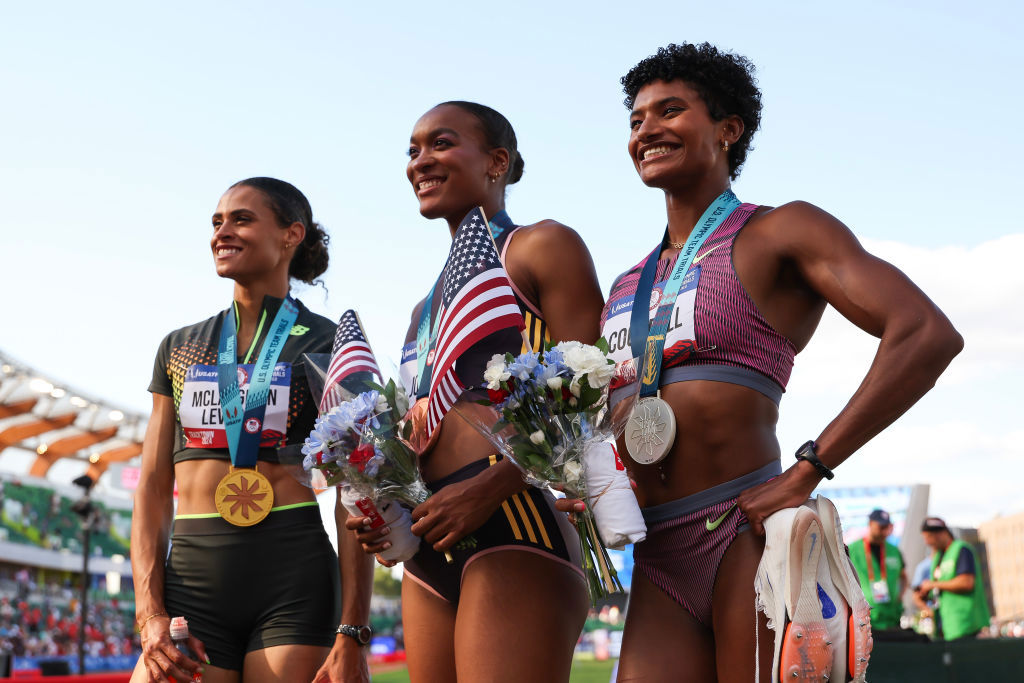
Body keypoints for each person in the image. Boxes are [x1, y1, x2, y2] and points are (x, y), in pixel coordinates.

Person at [563, 43, 962, 682]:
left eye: (671, 111)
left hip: (743, 532)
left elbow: (925, 333)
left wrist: (810, 467)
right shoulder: (626, 284)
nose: (647, 130)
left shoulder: (781, 231)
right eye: (636, 120)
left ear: (728, 129)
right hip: (658, 554)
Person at [345, 101, 603, 681]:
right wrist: (383, 499)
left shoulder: (542, 247)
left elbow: (594, 395)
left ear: (497, 162)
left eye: (440, 143)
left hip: (515, 518)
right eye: (412, 150)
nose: (420, 161)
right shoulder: (422, 311)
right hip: (428, 542)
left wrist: (494, 484)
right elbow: (421, 426)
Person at [130, 177, 373, 683]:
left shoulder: (332, 342)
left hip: (294, 579)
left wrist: (352, 631)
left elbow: (355, 490)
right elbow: (153, 489)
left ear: (291, 235)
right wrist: (149, 612)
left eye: (241, 219)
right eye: (217, 222)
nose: (222, 232)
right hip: (192, 584)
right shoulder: (179, 345)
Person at [917, 516, 991, 640]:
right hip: (946, 626)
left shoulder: (961, 549)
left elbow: (967, 582)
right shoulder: (938, 557)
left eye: (928, 537)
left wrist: (933, 585)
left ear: (940, 534)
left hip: (966, 625)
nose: (927, 543)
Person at [849, 509, 908, 631]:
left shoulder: (894, 550)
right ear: (870, 524)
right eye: (880, 527)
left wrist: (900, 597)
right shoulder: (853, 549)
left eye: (886, 527)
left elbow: (904, 576)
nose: (884, 531)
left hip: (892, 617)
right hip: (865, 620)